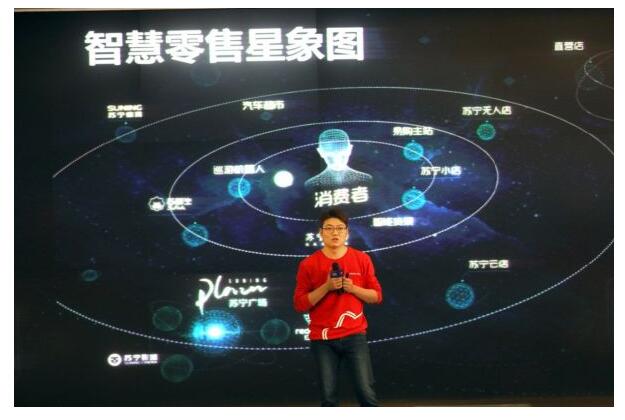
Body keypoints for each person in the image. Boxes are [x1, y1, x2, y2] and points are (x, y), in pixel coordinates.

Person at [293, 208, 382, 406]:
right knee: (328, 397)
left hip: (354, 335)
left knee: (366, 393)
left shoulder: (361, 259)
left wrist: (353, 288)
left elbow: (376, 296)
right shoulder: (308, 264)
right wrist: (326, 287)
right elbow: (300, 304)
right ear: (321, 232)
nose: (335, 232)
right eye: (329, 228)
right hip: (322, 339)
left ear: (347, 232)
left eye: (340, 228)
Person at [304, 129, 372, 189]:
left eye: (342, 155)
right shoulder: (311, 185)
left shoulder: (366, 180)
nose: (337, 162)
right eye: (330, 156)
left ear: (350, 150)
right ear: (320, 152)